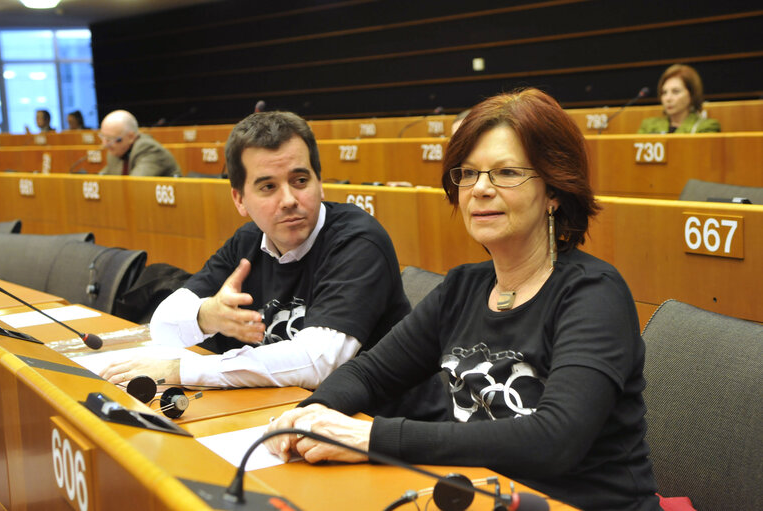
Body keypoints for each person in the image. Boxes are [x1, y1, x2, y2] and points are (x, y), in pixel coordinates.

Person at [266, 89, 661, 511]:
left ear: (554, 192)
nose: (480, 189)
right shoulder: (463, 288)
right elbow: (370, 375)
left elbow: (554, 440)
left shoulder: (594, 294)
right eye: (468, 173)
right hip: (480, 499)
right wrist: (312, 414)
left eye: (506, 173)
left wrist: (371, 439)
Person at [100, 111, 412, 392]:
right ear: (239, 199)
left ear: (320, 183)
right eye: (268, 187)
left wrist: (182, 369)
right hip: (290, 413)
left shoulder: (357, 241)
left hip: (378, 427)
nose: (289, 199)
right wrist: (206, 316)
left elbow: (317, 362)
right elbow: (163, 324)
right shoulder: (249, 240)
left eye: (300, 180)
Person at [638, 64, 720, 134]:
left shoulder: (707, 127)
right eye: (664, 92)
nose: (668, 98)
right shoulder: (648, 126)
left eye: (675, 92)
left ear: (691, 94)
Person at [97, 110, 181, 177]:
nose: (105, 144)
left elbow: (135, 185)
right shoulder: (116, 151)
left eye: (110, 139)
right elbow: (105, 179)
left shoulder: (149, 149)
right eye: (103, 137)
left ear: (131, 137)